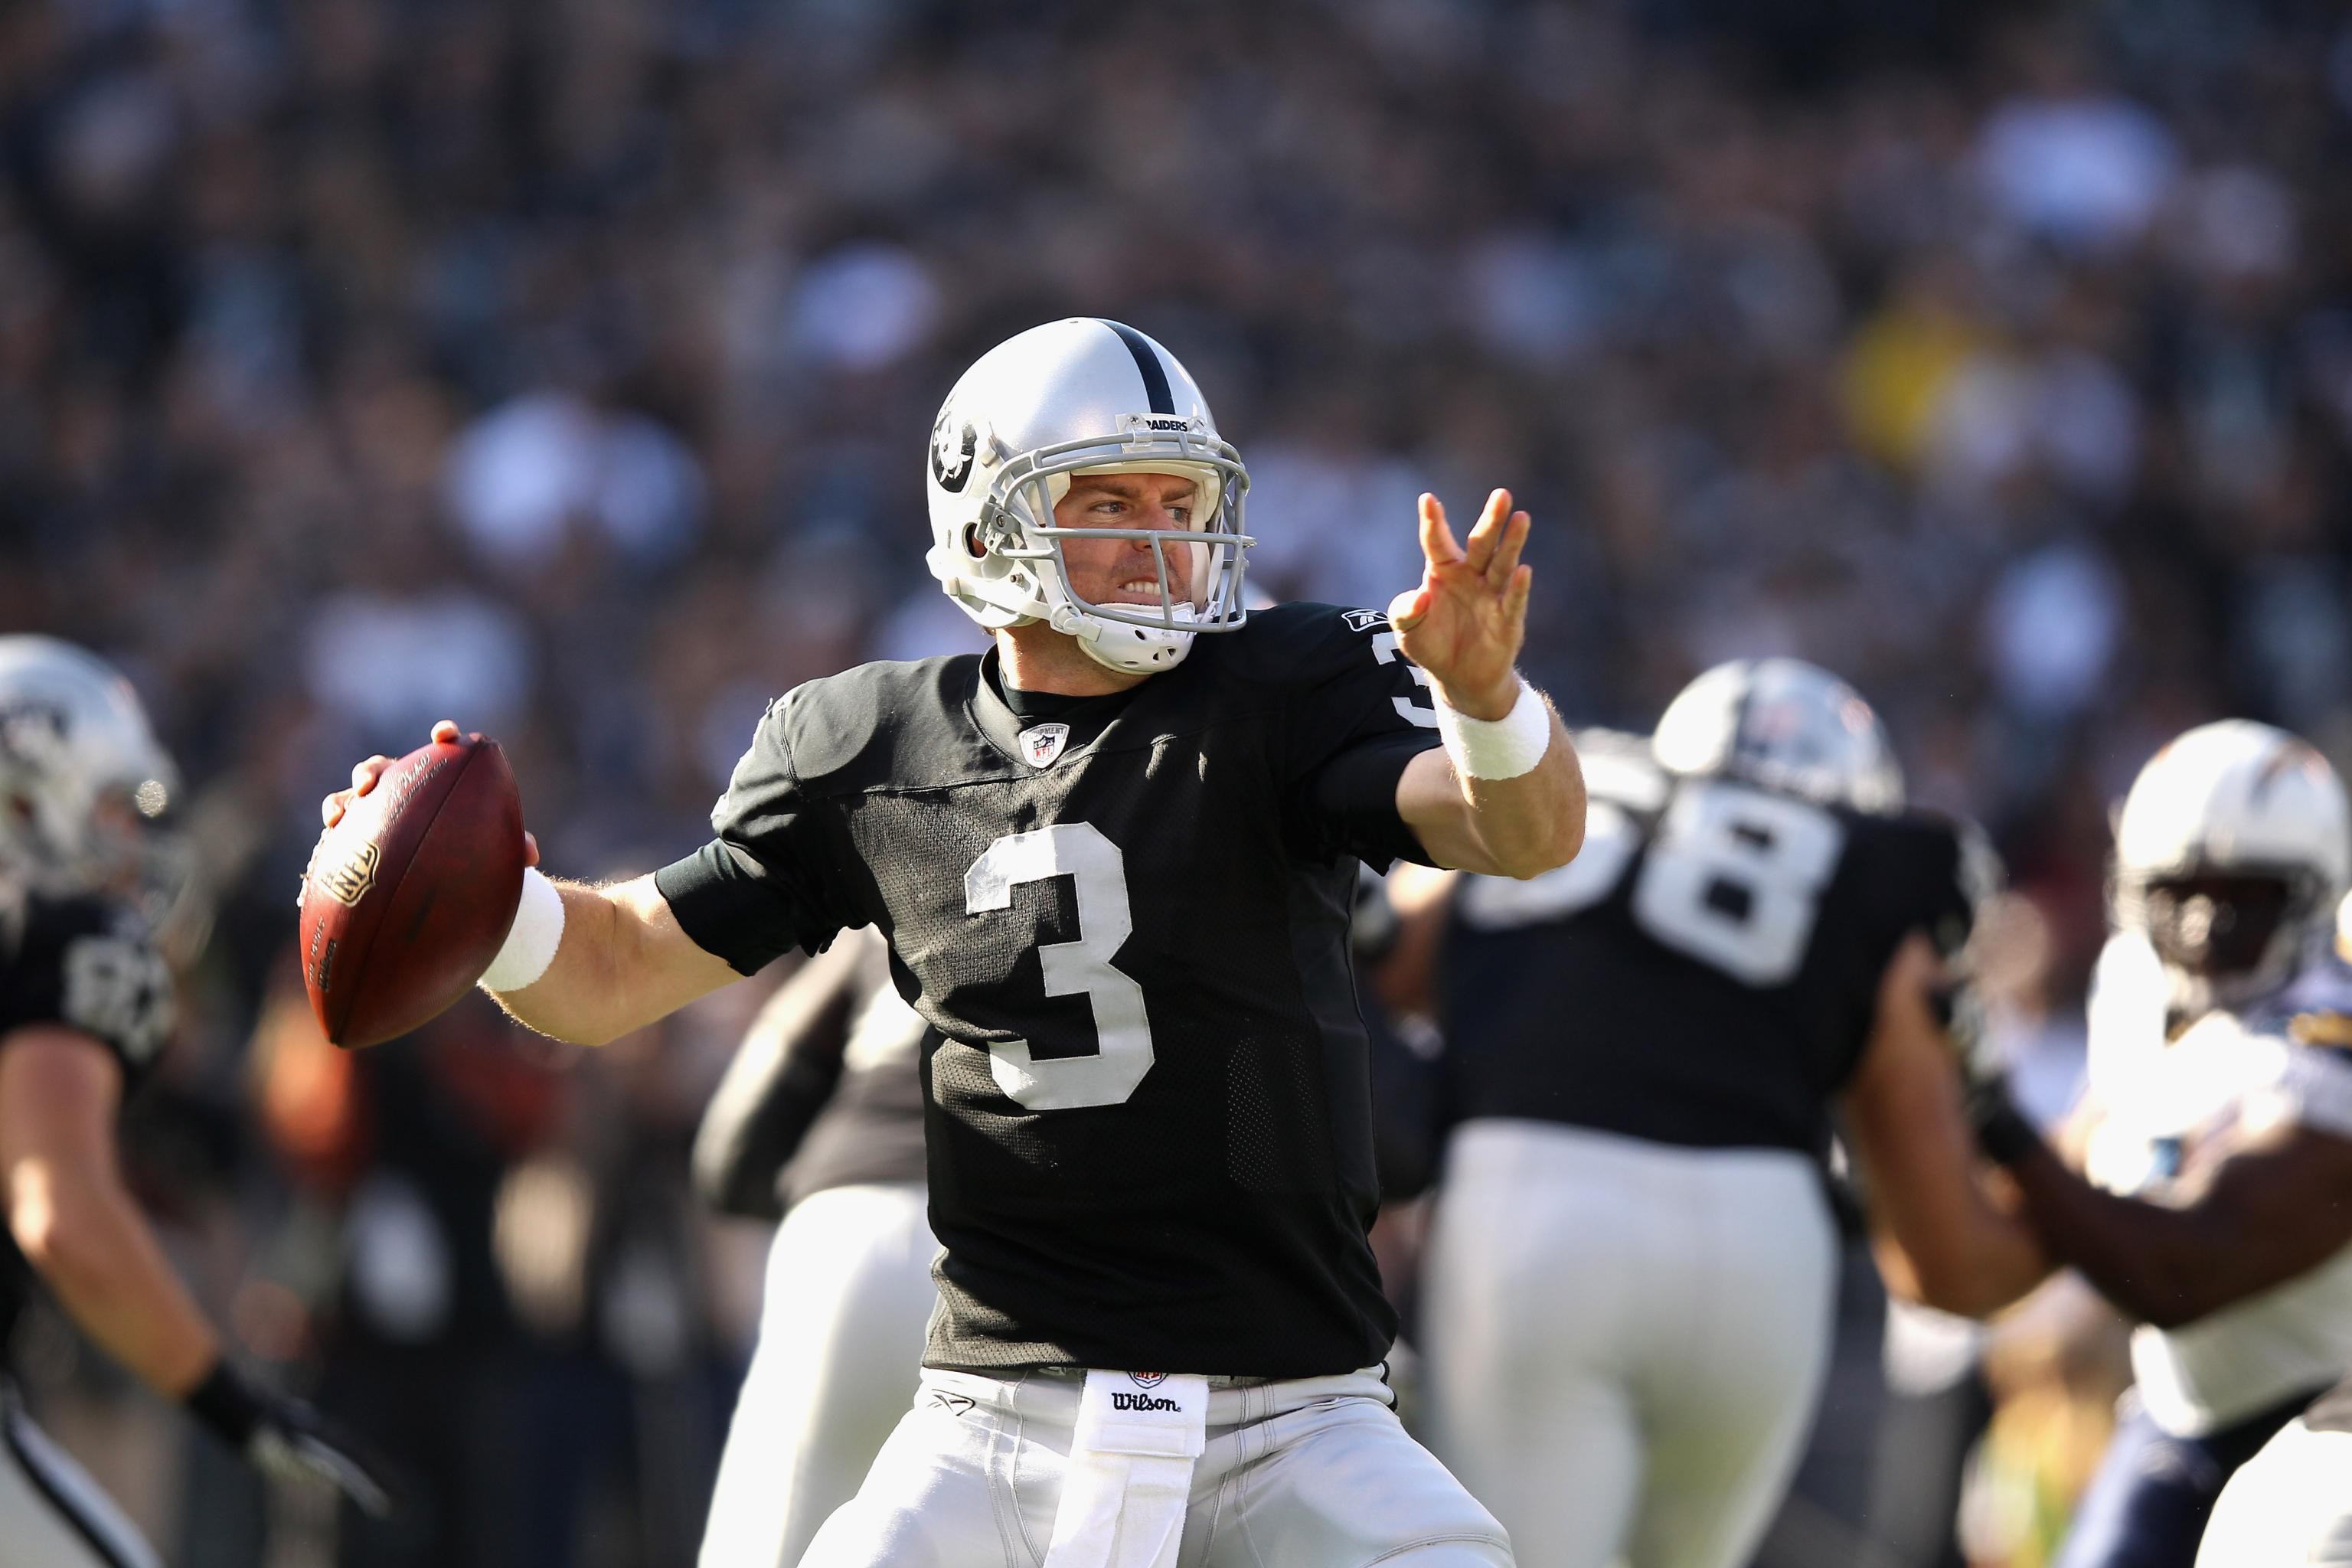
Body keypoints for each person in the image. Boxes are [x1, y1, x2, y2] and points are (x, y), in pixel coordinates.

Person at [324, 318, 1586, 1567]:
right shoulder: (866, 743)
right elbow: (607, 974)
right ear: (990, 523)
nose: (1162, 541)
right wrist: (478, 900)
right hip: (998, 1419)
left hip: (1300, 1414)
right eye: (1109, 502)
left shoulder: (1283, 683)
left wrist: (1488, 703)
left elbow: (1519, 830)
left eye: (1180, 498)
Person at [1399, 659, 2047, 1568]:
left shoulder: (1566, 787)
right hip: (1761, 1238)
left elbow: (1383, 960)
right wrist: (2070, 1199)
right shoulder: (1868, 866)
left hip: (1532, 1210)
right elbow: (1949, 1265)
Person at [0, 635, 393, 1568]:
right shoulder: (55, 937)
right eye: (108, 807)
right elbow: (60, 1211)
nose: (128, 842)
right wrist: (230, 1400)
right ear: (22, 799)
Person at [1963, 720, 2352, 1568]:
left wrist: (1992, 1115)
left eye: (2245, 894)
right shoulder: (2134, 987)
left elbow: (2184, 1269)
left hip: (2329, 1411)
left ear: (2318, 893)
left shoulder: (2337, 1016)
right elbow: (2066, 1188)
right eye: (2180, 891)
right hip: (2183, 1411)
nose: (2207, 925)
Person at [692, 926, 934, 1568]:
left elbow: (730, 1147)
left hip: (852, 1228)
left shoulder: (899, 885)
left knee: (769, 1546)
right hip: (1023, 1258)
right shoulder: (1158, 866)